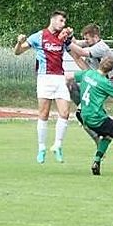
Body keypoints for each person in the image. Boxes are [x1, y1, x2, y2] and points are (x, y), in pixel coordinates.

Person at [15, 9, 74, 163]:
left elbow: (75, 47)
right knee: (44, 114)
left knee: (65, 112)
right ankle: (41, 147)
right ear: (53, 20)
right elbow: (18, 52)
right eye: (61, 20)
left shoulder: (63, 37)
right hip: (45, 78)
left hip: (60, 78)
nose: (63, 24)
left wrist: (73, 37)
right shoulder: (39, 36)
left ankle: (57, 145)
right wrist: (19, 42)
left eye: (64, 22)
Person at [66, 55, 113, 177]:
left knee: (108, 136)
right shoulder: (104, 82)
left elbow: (68, 77)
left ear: (100, 64)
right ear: (110, 69)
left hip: (84, 115)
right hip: (97, 118)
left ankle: (96, 162)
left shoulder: (88, 73)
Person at [66, 24, 113, 144]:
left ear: (96, 37)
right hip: (92, 77)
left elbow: (81, 51)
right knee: (70, 84)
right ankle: (87, 110)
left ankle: (99, 137)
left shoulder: (101, 47)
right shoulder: (90, 43)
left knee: (81, 114)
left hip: (102, 83)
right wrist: (69, 37)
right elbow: (76, 44)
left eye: (87, 39)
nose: (86, 41)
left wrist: (66, 41)